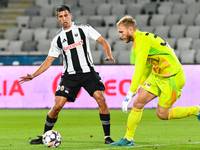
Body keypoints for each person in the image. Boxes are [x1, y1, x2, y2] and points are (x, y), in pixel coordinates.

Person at [19, 5, 115, 145]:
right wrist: (33, 75)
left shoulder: (83, 28)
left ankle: (107, 137)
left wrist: (109, 54)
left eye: (66, 15)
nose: (64, 18)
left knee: (101, 99)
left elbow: (102, 41)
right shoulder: (58, 38)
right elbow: (49, 60)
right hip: (70, 77)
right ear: (57, 19)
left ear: (70, 15)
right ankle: (45, 136)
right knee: (57, 106)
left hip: (88, 73)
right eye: (61, 16)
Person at [110, 15, 200, 146]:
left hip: (172, 77)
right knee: (138, 103)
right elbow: (147, 66)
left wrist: (130, 92)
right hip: (157, 75)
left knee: (162, 114)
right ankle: (128, 139)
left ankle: (196, 110)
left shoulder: (142, 41)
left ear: (130, 30)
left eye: (121, 32)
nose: (120, 36)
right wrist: (139, 86)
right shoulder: (140, 41)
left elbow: (139, 68)